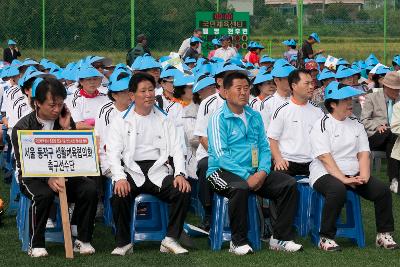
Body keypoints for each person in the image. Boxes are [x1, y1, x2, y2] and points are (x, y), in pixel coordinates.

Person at [207, 71, 302, 255]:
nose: (243, 92)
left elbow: (265, 148)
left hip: (254, 172)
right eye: (238, 88)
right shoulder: (218, 118)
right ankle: (237, 242)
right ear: (226, 92)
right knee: (240, 187)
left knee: (288, 184)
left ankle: (280, 238)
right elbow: (220, 156)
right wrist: (247, 177)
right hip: (221, 172)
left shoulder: (254, 116)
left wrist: (262, 172)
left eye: (246, 88)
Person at [12, 76, 98, 257]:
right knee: (43, 194)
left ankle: (83, 239)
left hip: (63, 173)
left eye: (60, 104)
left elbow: (73, 155)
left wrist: (67, 129)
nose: (57, 109)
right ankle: (36, 243)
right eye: (52, 105)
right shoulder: (22, 127)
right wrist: (47, 178)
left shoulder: (64, 120)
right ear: (37, 103)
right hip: (32, 176)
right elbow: (25, 163)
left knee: (89, 188)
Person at [106, 72, 191, 256]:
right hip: (131, 169)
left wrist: (180, 174)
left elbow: (177, 149)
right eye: (143, 91)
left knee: (182, 189)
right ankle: (124, 243)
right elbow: (113, 153)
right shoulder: (120, 120)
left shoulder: (165, 118)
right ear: (132, 95)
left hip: (157, 170)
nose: (148, 95)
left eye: (151, 90)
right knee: (119, 193)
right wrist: (119, 177)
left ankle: (170, 239)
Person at [309, 81, 397, 251]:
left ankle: (383, 234)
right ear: (333, 104)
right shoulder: (322, 124)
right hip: (324, 173)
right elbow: (325, 157)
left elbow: (364, 153)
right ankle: (326, 237)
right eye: (345, 100)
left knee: (382, 190)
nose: (351, 103)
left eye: (350, 98)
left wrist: (364, 175)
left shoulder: (356, 123)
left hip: (353, 172)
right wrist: (343, 179)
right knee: (337, 190)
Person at [268, 69, 324, 177]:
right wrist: (278, 159)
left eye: (312, 83)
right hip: (288, 161)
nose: (311, 86)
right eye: (307, 83)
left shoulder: (317, 110)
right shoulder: (282, 110)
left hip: (313, 162)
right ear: (294, 86)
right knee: (283, 182)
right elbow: (272, 139)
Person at [360, 71, 400, 193]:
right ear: (386, 87)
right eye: (395, 89)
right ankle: (394, 178)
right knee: (390, 134)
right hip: (375, 137)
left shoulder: (399, 100)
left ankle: (394, 180)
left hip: (391, 136)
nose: (398, 92)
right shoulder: (371, 97)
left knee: (393, 137)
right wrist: (377, 126)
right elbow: (364, 120)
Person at [260, 60, 295, 129]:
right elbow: (265, 130)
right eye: (288, 78)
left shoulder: (299, 100)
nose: (292, 81)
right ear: (276, 80)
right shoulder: (267, 104)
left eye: (293, 78)